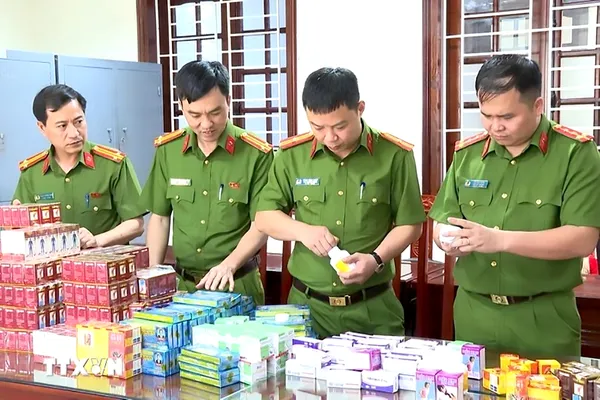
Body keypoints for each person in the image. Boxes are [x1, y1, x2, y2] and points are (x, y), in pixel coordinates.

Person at [429, 54, 600, 357]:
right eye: (486, 115)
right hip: (474, 313)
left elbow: (583, 238)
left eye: (507, 117)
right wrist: (447, 239)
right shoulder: (468, 155)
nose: (495, 127)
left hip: (543, 318)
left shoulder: (575, 153)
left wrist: (499, 240)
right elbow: (443, 221)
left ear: (537, 105)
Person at [255, 67, 425, 338]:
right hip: (307, 308)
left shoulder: (394, 155)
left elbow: (411, 225)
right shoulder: (291, 155)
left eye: (340, 126)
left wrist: (375, 259)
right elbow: (265, 216)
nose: (329, 137)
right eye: (318, 127)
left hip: (373, 309)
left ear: (360, 109)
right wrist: (303, 232)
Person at [140, 60, 273, 304]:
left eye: (215, 112)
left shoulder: (255, 154)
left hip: (236, 284)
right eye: (195, 115)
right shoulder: (169, 151)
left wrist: (228, 265)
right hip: (183, 288)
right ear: (181, 106)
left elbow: (262, 225)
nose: (206, 124)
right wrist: (153, 275)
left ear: (228, 101)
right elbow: (160, 218)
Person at [13, 84, 145, 248]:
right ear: (42, 128)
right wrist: (16, 223)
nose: (74, 133)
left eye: (79, 122)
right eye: (62, 126)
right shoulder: (32, 173)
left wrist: (97, 240)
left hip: (103, 261)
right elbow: (19, 229)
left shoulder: (113, 165)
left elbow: (136, 223)